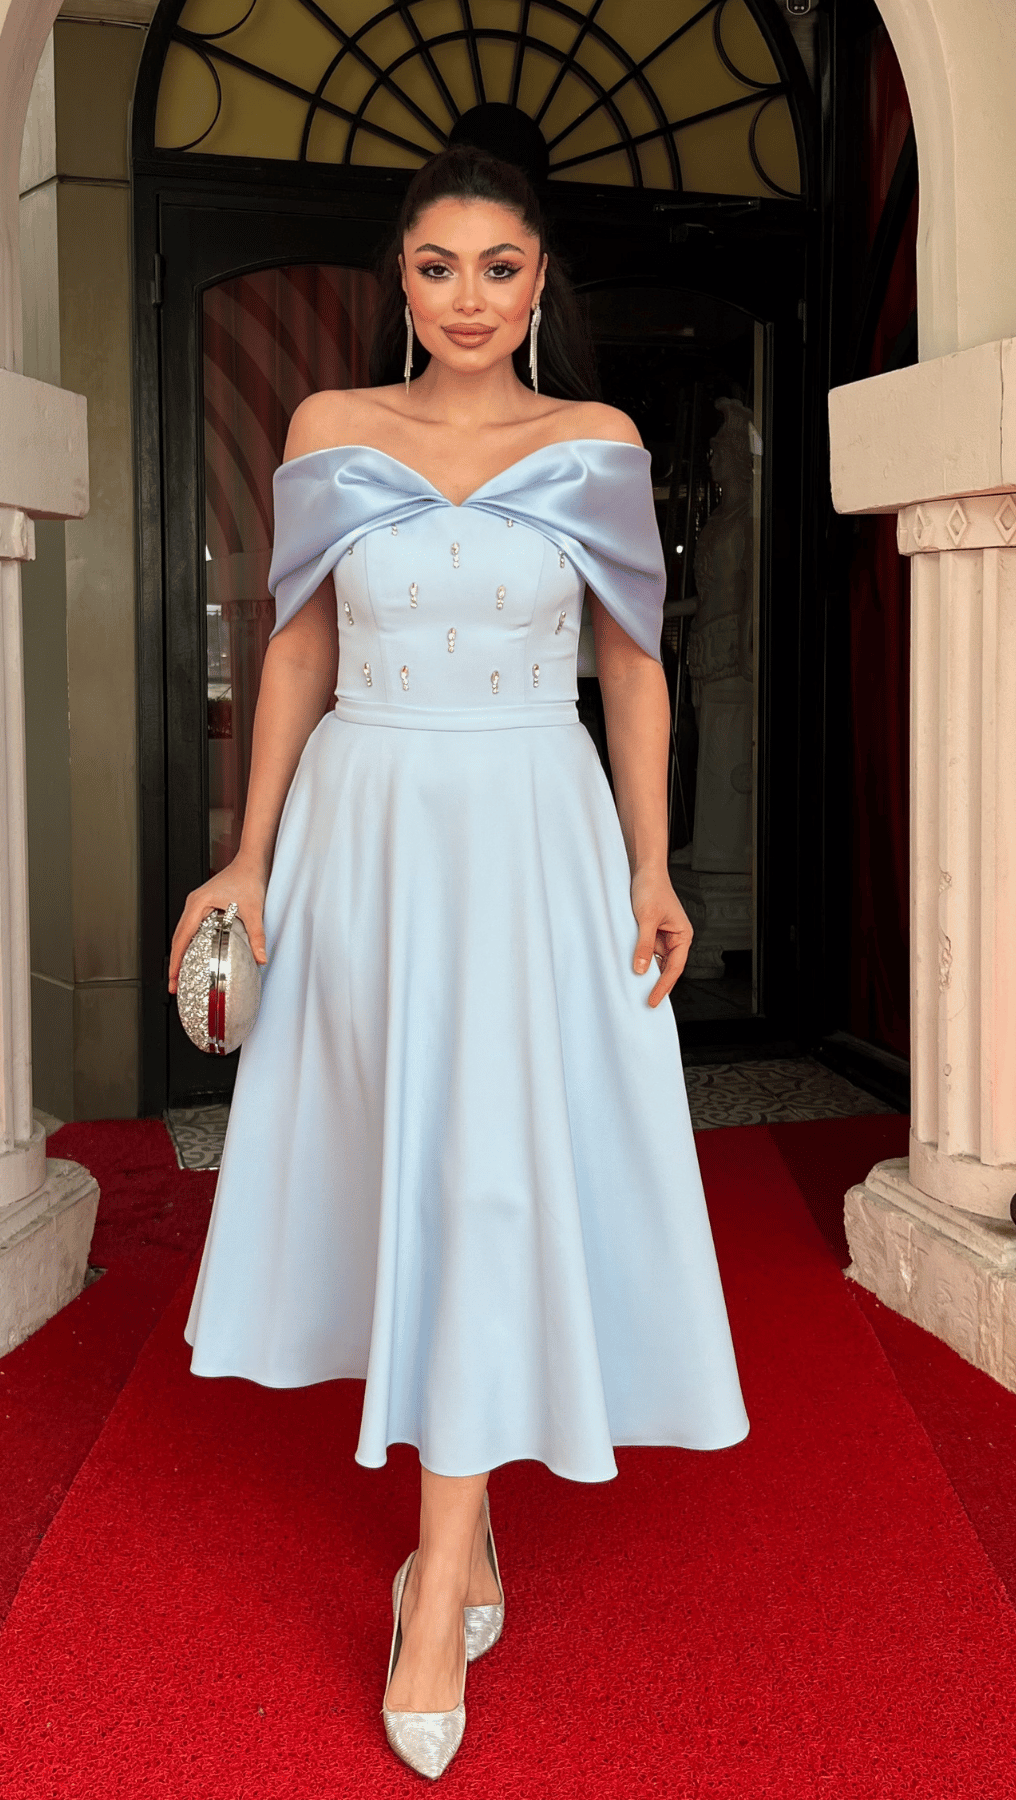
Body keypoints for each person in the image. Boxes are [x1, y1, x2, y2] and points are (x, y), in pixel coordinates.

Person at [169, 145, 749, 1782]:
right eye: (439, 266)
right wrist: (248, 855)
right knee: (409, 1174)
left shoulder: (598, 442)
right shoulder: (328, 429)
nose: (471, 297)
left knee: (492, 1177)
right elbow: (296, 646)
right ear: (403, 278)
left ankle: (436, 1590)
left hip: (532, 835)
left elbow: (633, 668)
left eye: (501, 267)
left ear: (542, 280)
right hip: (368, 833)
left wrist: (651, 863)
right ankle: (466, 1523)